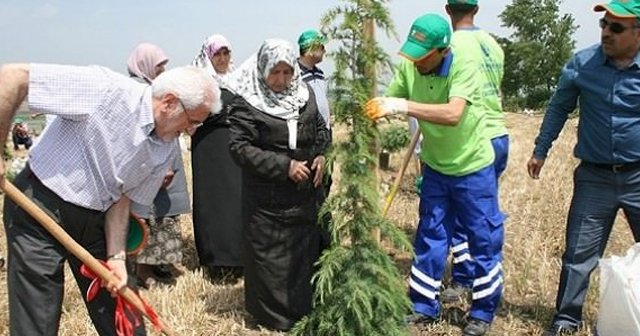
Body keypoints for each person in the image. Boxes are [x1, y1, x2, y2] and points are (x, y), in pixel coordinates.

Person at [0, 62, 219, 336]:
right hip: (39, 207)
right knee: (37, 321)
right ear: (169, 102)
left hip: (98, 220)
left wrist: (115, 256)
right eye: (193, 120)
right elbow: (12, 77)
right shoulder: (103, 89)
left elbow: (123, 198)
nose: (193, 130)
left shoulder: (164, 145)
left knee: (125, 314)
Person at [366, 13, 504, 336]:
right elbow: (391, 98)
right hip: (437, 169)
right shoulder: (411, 66)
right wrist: (373, 111)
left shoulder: (462, 66)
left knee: (483, 239)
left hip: (473, 168)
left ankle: (482, 312)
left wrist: (400, 106)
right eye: (411, 52)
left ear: (442, 50)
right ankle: (423, 307)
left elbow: (453, 113)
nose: (414, 60)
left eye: (422, 54)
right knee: (430, 235)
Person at [527, 1, 640, 335]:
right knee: (578, 254)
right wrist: (540, 149)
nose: (606, 32)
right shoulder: (583, 64)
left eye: (616, 27)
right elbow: (559, 106)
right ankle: (566, 319)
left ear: (638, 31)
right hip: (595, 177)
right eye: (604, 24)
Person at [228, 38, 330, 331]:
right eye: (275, 73)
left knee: (304, 255)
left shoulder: (304, 94)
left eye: (287, 72)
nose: (281, 80)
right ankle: (273, 317)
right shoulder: (248, 101)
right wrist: (284, 166)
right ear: (262, 70)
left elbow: (320, 128)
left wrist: (322, 154)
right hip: (267, 200)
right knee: (271, 260)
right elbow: (240, 148)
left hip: (305, 195)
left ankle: (305, 310)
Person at [440, 0, 509, 304]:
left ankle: (465, 278)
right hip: (499, 135)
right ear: (476, 10)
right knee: (485, 215)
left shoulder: (451, 44)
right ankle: (490, 273)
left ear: (447, 10)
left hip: (471, 138)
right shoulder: (492, 45)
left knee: (459, 215)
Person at [126, 43, 191, 287]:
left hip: (164, 164)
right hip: (148, 168)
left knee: (162, 216)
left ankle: (157, 264)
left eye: (164, 66)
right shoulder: (139, 94)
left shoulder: (157, 91)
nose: (163, 71)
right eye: (159, 66)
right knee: (146, 218)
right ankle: (143, 270)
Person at [190, 33, 244, 281]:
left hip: (234, 146)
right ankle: (215, 260)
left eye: (226, 53)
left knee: (235, 199)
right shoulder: (198, 80)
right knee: (213, 201)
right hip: (209, 148)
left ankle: (238, 257)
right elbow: (192, 114)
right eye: (217, 54)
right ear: (208, 56)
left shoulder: (238, 81)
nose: (222, 59)